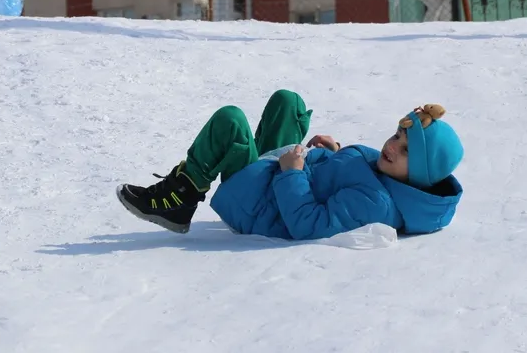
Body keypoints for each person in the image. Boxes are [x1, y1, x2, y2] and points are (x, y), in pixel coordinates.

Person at [115, 89, 464, 240]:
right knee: (289, 102)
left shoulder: (377, 204)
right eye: (396, 138)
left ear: (418, 176)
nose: (392, 147)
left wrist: (292, 173)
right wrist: (336, 150)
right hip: (278, 177)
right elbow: (349, 175)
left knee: (231, 121)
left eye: (404, 152)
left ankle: (181, 196)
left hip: (261, 207)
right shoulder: (386, 172)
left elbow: (308, 224)